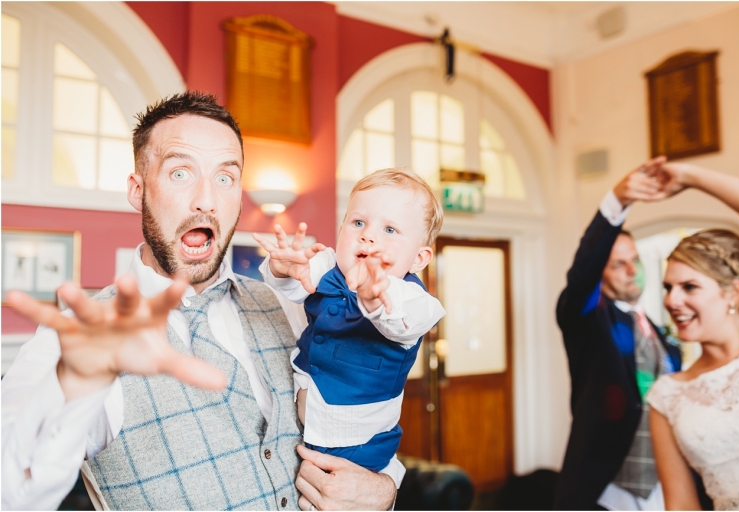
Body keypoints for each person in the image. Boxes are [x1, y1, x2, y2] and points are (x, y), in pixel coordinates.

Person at [1, 91, 399, 511]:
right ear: (138, 191)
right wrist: (76, 382)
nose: (206, 200)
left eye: (225, 178)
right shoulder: (78, 337)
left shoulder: (292, 306)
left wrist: (385, 486)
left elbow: (366, 407)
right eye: (180, 173)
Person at [254, 168, 445, 473]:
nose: (367, 235)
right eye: (358, 222)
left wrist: (373, 300)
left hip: (359, 446)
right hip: (302, 430)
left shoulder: (416, 301)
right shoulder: (328, 264)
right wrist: (282, 268)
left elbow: (396, 319)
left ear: (419, 259)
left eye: (390, 230)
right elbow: (292, 287)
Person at [554, 156, 685, 510]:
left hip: (665, 485)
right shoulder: (589, 321)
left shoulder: (665, 337)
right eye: (616, 264)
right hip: (606, 489)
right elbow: (582, 276)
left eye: (635, 260)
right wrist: (617, 202)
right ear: (602, 273)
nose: (631, 271)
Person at [644, 162, 739, 510]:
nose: (672, 300)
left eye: (689, 287)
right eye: (668, 288)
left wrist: (689, 177)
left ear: (734, 292)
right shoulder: (667, 397)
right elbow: (681, 505)